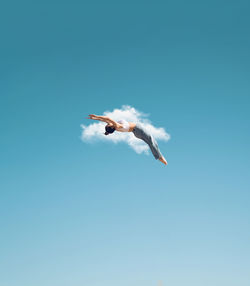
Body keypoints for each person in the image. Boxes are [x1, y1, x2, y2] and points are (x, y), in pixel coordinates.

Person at [87, 114, 167, 165]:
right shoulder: (117, 126)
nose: (108, 123)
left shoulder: (114, 126)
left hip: (136, 132)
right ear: (111, 127)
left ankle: (158, 156)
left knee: (150, 142)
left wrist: (95, 118)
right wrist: (96, 116)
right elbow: (108, 118)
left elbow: (104, 119)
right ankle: (160, 157)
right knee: (151, 141)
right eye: (108, 124)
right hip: (139, 130)